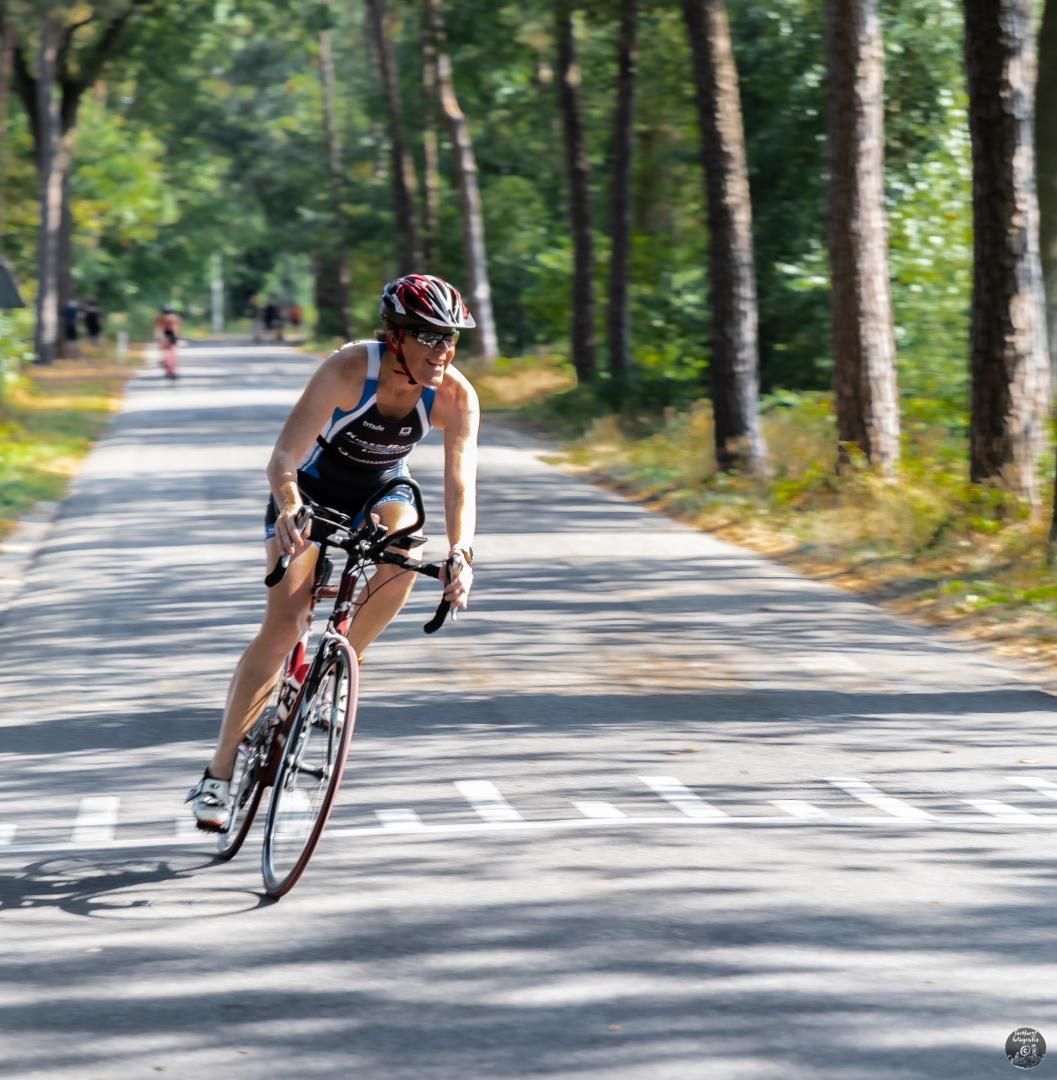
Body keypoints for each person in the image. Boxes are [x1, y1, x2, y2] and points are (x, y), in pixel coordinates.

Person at [186, 273, 480, 828]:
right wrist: (291, 507)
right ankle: (219, 773)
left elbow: (460, 482)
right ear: (395, 335)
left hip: (379, 489)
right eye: (428, 336)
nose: (442, 351)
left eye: (450, 338)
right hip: (310, 491)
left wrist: (463, 551)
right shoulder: (349, 369)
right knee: (285, 624)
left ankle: (341, 664)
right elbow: (283, 458)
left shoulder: (456, 395)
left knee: (407, 537)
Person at [154, 304, 182, 380]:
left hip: (165, 335)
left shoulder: (160, 317)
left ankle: (168, 370)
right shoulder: (175, 317)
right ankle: (173, 371)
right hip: (172, 335)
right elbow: (177, 328)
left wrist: (159, 337)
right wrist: (177, 337)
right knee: (172, 353)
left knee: (166, 353)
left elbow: (158, 328)